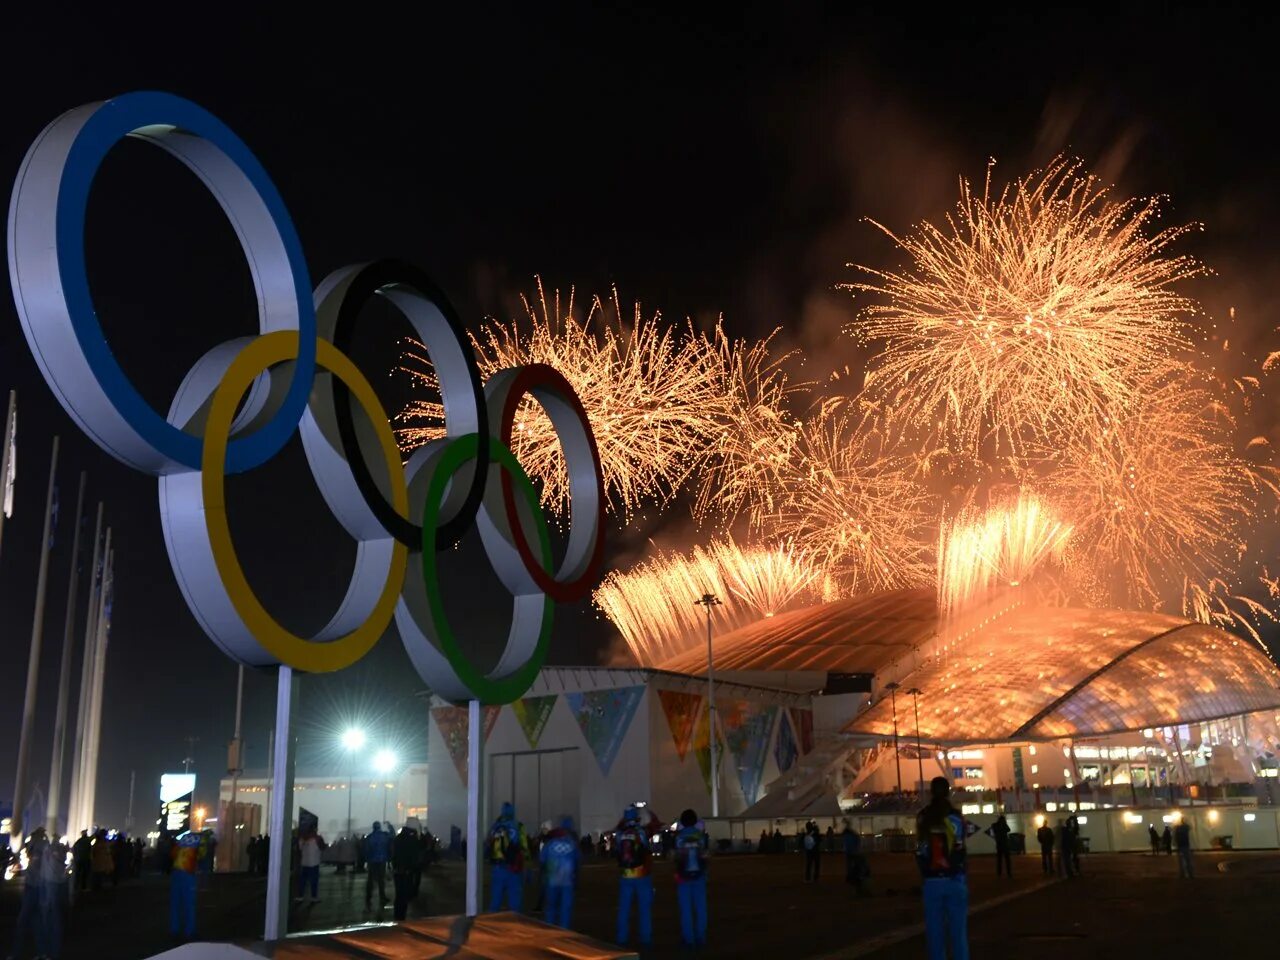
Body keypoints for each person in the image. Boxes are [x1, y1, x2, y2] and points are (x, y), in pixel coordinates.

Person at [916, 777, 970, 960]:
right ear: (948, 792)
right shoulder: (957, 818)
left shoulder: (923, 817)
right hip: (955, 879)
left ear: (931, 792)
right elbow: (961, 848)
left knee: (935, 935)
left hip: (931, 882)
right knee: (958, 935)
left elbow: (920, 850)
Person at [615, 806, 654, 948]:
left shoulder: (620, 833)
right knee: (644, 908)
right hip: (642, 874)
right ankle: (646, 938)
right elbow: (646, 851)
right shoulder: (641, 832)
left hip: (626, 875)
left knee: (624, 908)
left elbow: (618, 852)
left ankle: (621, 937)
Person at [673, 809, 709, 949]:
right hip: (699, 876)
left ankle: (688, 938)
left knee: (686, 909)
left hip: (683, 877)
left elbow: (676, 857)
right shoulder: (700, 836)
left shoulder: (679, 837)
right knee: (701, 908)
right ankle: (701, 936)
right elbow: (705, 856)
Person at [487, 802, 530, 912]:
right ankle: (515, 927)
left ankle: (491, 926)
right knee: (515, 904)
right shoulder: (519, 826)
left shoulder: (495, 827)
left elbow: (488, 846)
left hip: (497, 868)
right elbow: (524, 849)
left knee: (495, 903)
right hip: (513, 868)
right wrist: (527, 868)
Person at [539, 816, 580, 929]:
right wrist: (576, 879)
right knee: (565, 909)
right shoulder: (572, 844)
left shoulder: (550, 843)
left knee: (551, 908)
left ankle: (550, 932)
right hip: (567, 880)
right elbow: (577, 862)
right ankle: (564, 933)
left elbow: (542, 860)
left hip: (552, 879)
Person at [170, 829, 202, 940]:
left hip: (176, 873)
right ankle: (189, 931)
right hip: (187, 874)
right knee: (189, 904)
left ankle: (174, 929)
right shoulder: (195, 846)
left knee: (176, 903)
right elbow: (202, 855)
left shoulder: (180, 846)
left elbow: (172, 855)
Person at [392, 824, 421, 920]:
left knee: (398, 893)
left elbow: (392, 854)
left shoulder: (396, 839)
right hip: (407, 870)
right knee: (405, 893)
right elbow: (415, 855)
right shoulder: (412, 840)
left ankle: (397, 914)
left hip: (397, 870)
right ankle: (402, 914)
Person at [364, 822, 391, 909]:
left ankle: (368, 898)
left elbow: (367, 849)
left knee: (370, 880)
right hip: (382, 860)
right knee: (381, 880)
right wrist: (389, 826)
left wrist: (367, 860)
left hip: (372, 861)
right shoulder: (384, 836)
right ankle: (382, 897)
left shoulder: (370, 837)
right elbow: (391, 838)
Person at [296, 830, 325, 904]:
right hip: (314, 863)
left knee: (302, 881)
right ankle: (314, 897)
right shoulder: (317, 839)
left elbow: (299, 849)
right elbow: (323, 847)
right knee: (314, 881)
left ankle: (300, 896)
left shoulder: (302, 840)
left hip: (304, 863)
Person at [842, 820, 868, 893]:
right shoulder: (853, 835)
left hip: (849, 852)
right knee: (855, 865)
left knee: (849, 865)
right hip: (854, 852)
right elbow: (857, 841)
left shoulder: (846, 836)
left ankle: (851, 877)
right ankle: (856, 877)